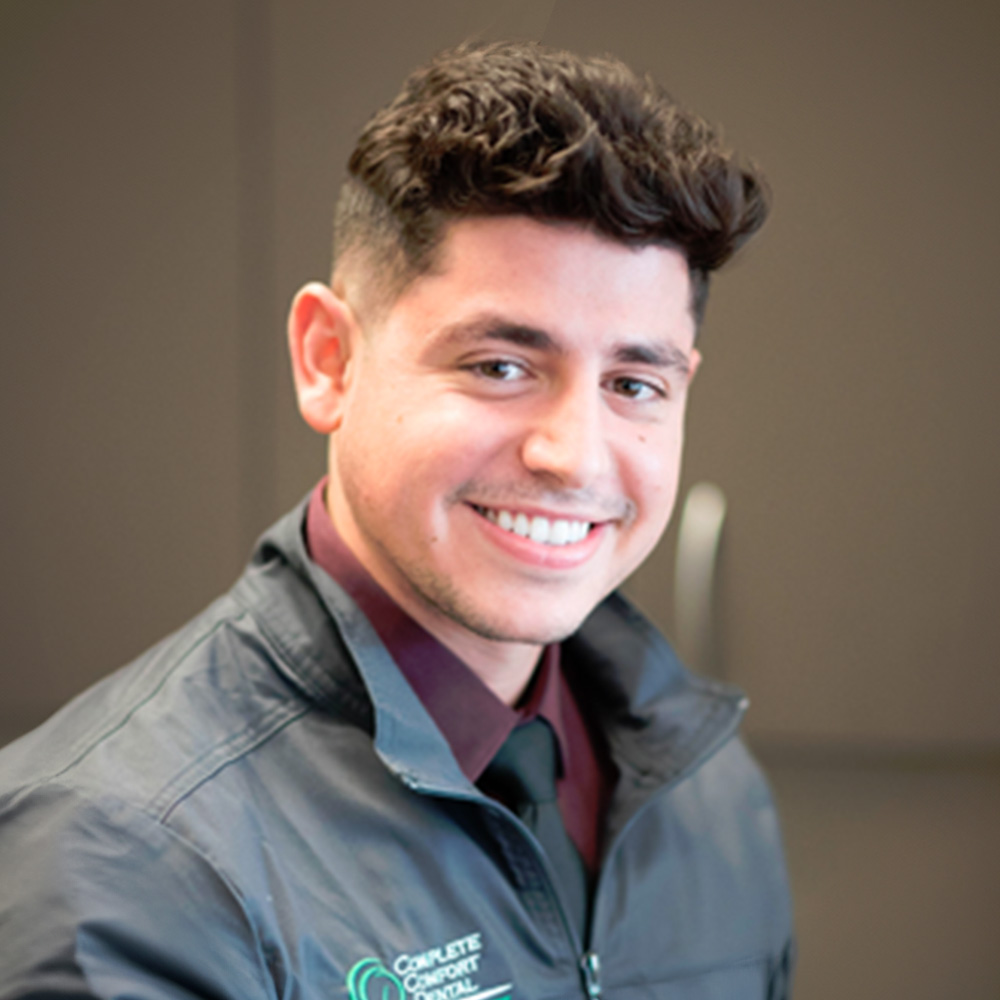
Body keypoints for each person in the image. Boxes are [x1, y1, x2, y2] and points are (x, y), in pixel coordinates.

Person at [0, 41, 793, 999]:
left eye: (634, 383)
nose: (575, 456)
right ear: (329, 358)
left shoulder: (706, 793)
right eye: (500, 366)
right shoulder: (123, 855)